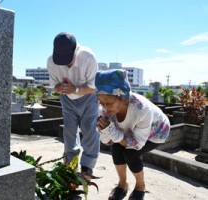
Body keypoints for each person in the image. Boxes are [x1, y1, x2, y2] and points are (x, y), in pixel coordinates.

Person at [95, 69, 170, 200]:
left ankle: (140, 186)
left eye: (108, 102)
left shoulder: (142, 109)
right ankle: (122, 184)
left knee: (131, 153)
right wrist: (105, 130)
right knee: (117, 149)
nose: (105, 107)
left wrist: (111, 131)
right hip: (128, 130)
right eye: (101, 103)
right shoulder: (106, 110)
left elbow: (137, 144)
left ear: (122, 96)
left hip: (156, 131)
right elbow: (107, 141)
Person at [47, 32, 100, 179]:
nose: (65, 64)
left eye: (68, 60)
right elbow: (54, 85)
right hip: (67, 98)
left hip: (88, 97)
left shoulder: (88, 57)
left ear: (76, 50)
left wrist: (75, 89)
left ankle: (87, 166)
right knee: (69, 131)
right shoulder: (51, 61)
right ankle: (71, 161)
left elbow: (93, 86)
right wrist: (61, 88)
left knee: (89, 129)